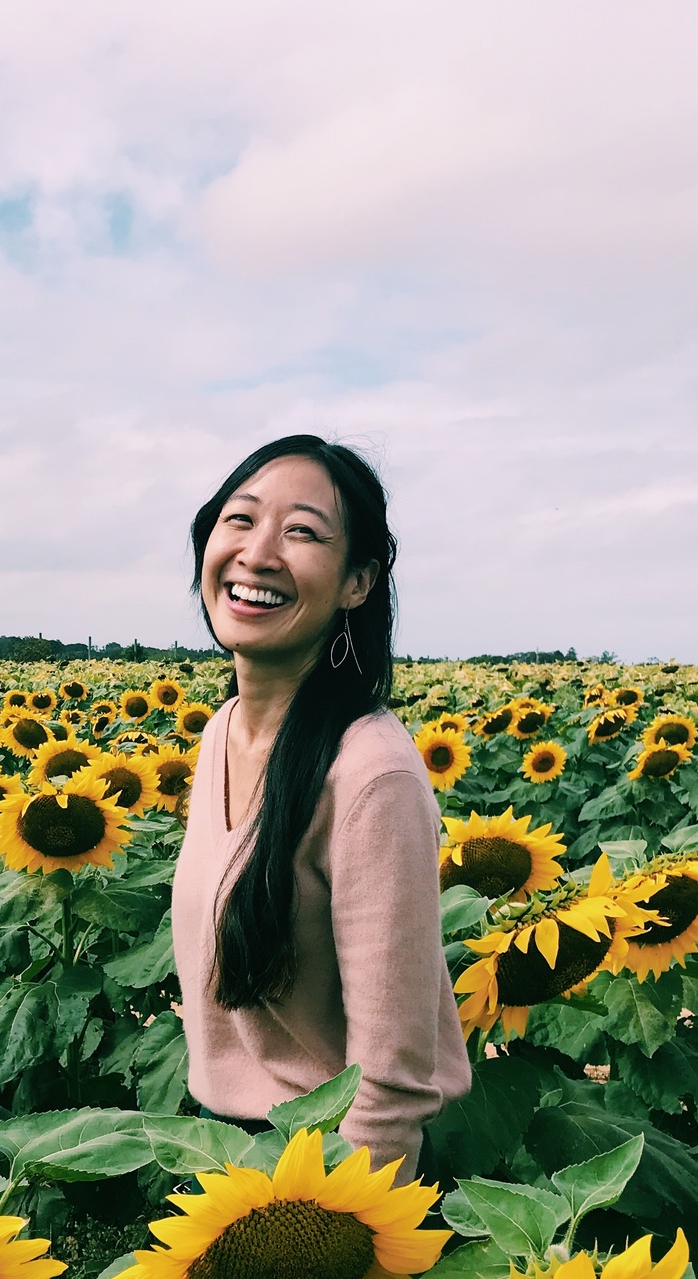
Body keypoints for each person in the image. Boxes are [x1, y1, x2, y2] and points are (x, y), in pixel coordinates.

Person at [171, 434, 471, 1184]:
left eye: (301, 531)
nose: (259, 553)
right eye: (239, 520)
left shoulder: (371, 773)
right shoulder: (221, 733)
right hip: (229, 1158)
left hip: (333, 1177)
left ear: (357, 583)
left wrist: (335, 1262)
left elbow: (392, 1084)